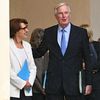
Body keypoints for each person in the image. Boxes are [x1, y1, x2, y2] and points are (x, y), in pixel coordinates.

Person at [32, 2, 92, 100]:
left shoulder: (81, 33)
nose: (64, 16)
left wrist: (89, 82)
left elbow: (88, 59)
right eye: (60, 13)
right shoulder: (49, 32)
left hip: (74, 84)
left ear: (70, 14)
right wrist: (22, 47)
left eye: (66, 13)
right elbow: (39, 52)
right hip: (54, 84)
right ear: (56, 16)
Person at [10, 18, 37, 100]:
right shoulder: (6, 45)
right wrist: (23, 83)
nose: (27, 30)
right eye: (24, 28)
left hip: (27, 90)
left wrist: (29, 82)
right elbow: (6, 70)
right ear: (16, 31)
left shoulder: (27, 45)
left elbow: (33, 67)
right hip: (12, 90)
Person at [80, 24, 100, 100]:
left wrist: (88, 65)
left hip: (96, 80)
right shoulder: (76, 47)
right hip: (83, 80)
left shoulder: (97, 45)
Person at [30, 28, 49, 100]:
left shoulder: (47, 54)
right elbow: (32, 74)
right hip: (35, 90)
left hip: (47, 90)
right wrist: (41, 89)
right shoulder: (30, 53)